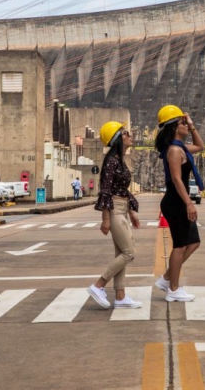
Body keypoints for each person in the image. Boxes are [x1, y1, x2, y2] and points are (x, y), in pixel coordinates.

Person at [87, 122, 142, 310]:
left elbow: (121, 189)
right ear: (118, 138)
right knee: (130, 252)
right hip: (114, 210)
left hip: (122, 208)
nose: (130, 135)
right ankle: (98, 285)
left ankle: (120, 297)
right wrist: (105, 218)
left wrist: (131, 211)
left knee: (121, 253)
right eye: (126, 133)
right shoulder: (111, 161)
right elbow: (106, 190)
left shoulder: (119, 159)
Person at [154, 105, 203, 302]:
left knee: (193, 242)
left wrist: (192, 126)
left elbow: (199, 146)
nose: (186, 125)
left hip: (178, 200)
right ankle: (173, 290)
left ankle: (167, 278)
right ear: (175, 127)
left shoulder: (180, 148)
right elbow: (176, 179)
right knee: (180, 245)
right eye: (183, 123)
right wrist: (189, 203)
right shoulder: (174, 150)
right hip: (175, 201)